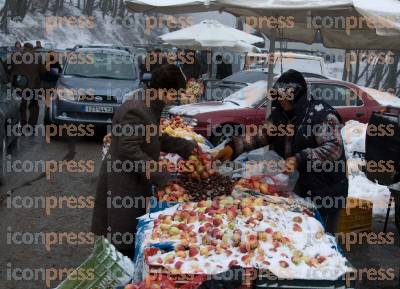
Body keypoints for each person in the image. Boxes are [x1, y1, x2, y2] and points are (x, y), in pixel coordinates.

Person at [222, 69, 348, 233]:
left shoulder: (321, 115)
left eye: (284, 97)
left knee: (320, 237)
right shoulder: (281, 115)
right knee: (298, 233)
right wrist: (232, 148)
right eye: (278, 97)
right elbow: (260, 135)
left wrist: (300, 159)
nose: (280, 101)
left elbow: (334, 148)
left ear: (297, 95)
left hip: (325, 192)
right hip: (298, 189)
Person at [91, 64, 196, 256]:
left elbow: (153, 137)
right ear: (163, 90)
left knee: (125, 233)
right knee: (121, 237)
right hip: (124, 182)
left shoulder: (149, 104)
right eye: (174, 93)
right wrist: (161, 176)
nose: (176, 98)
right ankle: (118, 272)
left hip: (134, 179)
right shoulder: (137, 110)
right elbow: (129, 149)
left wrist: (186, 147)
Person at [9, 42, 45, 127]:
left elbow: (5, 66)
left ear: (24, 47)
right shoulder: (38, 56)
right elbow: (43, 72)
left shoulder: (15, 55)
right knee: (34, 105)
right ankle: (31, 126)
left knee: (22, 105)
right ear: (32, 48)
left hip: (19, 85)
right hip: (34, 86)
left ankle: (23, 124)